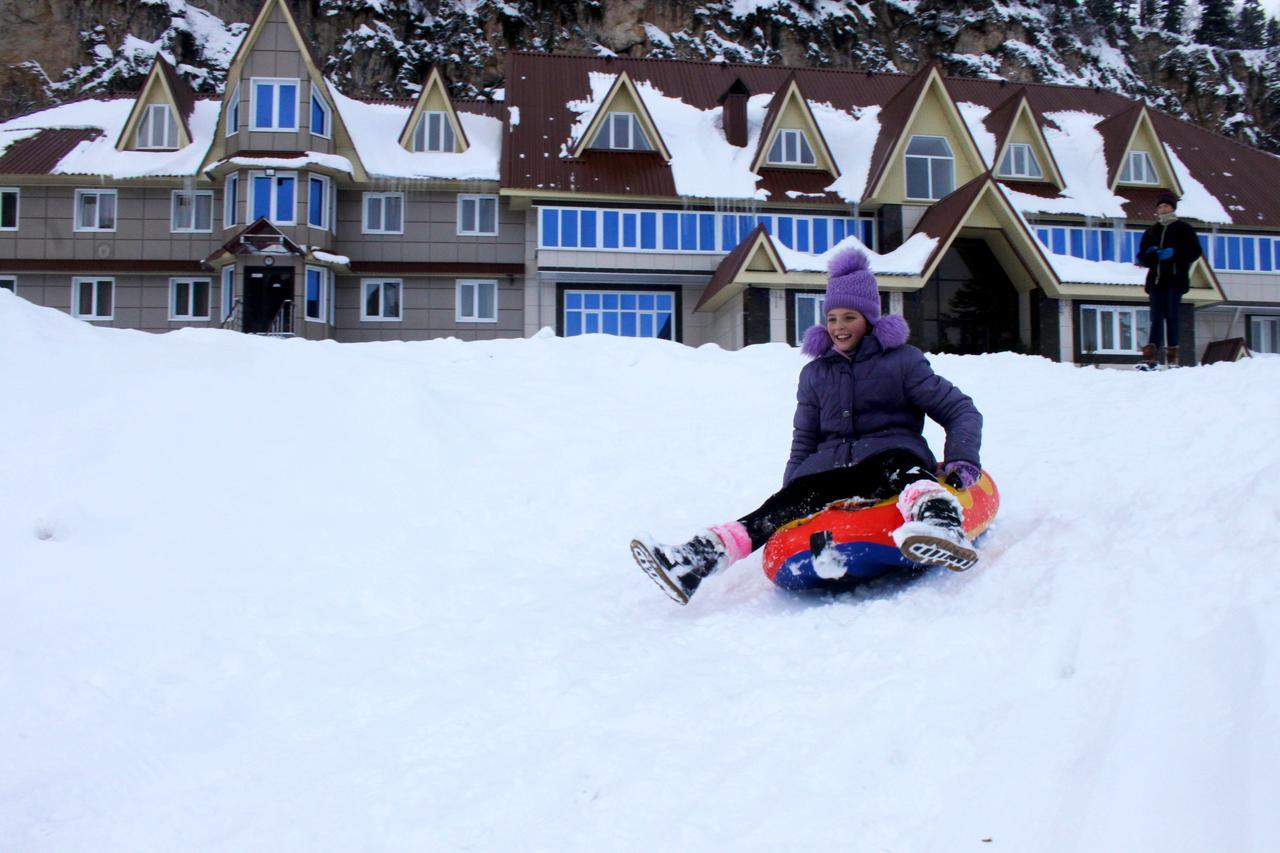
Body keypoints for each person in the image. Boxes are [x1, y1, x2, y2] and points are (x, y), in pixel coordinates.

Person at [631, 248, 985, 605]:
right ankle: (693, 560)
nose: (839, 327)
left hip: (888, 458)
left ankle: (940, 522)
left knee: (899, 466)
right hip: (832, 471)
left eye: (849, 317)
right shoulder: (815, 374)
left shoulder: (902, 362)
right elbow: (805, 438)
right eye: (832, 318)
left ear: (870, 320)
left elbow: (960, 411)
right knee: (773, 510)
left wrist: (961, 460)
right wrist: (793, 491)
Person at [1136, 192, 1202, 368]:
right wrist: (1149, 255)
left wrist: (1175, 253)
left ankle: (1173, 358)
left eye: (1165, 206)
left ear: (1173, 207)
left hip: (1175, 279)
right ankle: (1150, 358)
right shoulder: (1152, 231)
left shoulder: (1184, 229)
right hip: (1156, 281)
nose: (1162, 209)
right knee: (1156, 318)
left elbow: (1195, 252)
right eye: (1159, 206)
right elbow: (1141, 257)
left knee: (1171, 316)